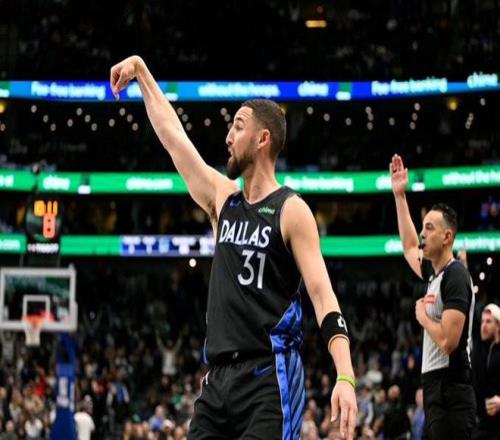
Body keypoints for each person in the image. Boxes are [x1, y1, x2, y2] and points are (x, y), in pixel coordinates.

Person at [110, 55, 357, 439]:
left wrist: (345, 374)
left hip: (269, 377)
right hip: (218, 379)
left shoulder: (291, 210)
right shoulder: (223, 199)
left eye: (238, 127)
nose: (228, 137)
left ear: (263, 139)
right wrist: (142, 72)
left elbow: (323, 296)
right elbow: (174, 139)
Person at [390, 154, 476, 439]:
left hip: (451, 390)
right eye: (422, 227)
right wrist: (399, 196)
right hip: (435, 389)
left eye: (429, 228)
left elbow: (449, 342)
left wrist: (423, 317)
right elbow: (408, 245)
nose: (422, 234)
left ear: (447, 237)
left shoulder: (456, 275)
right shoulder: (434, 274)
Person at [472, 303, 500, 439]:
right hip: (481, 424)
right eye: (482, 321)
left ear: (498, 326)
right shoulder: (478, 350)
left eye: (488, 321)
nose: (483, 325)